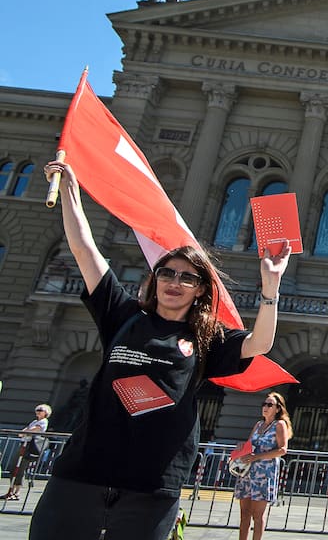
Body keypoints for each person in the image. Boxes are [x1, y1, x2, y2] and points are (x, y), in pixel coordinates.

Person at [30, 159, 291, 540]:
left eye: (188, 277)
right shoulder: (123, 315)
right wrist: (71, 190)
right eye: (167, 273)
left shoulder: (206, 335)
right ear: (155, 279)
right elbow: (86, 250)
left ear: (201, 289)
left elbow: (260, 343)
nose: (175, 282)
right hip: (83, 473)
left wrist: (271, 287)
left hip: (152, 484)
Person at [234, 391, 292, 540]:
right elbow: (250, 445)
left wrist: (257, 457)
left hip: (264, 475)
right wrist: (242, 446)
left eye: (270, 405)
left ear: (278, 408)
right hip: (247, 473)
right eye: (264, 404)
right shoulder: (258, 424)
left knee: (257, 516)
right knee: (244, 513)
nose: (265, 407)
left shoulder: (279, 425)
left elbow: (283, 450)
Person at [1, 404, 51, 501]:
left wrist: (26, 432)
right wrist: (25, 432)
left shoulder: (43, 422)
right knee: (14, 466)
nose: (38, 411)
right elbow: (24, 431)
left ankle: (17, 491)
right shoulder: (34, 421)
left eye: (41, 410)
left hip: (29, 446)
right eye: (37, 410)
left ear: (46, 412)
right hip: (24, 444)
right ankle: (11, 490)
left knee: (21, 468)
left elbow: (33, 430)